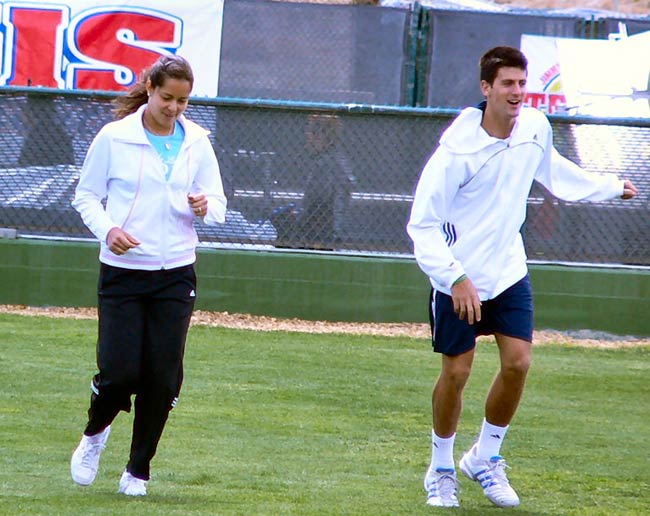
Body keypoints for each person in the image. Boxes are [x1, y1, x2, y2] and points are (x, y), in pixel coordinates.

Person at [406, 46, 637, 509]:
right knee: (457, 372)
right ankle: (442, 468)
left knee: (518, 363)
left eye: (521, 83)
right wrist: (454, 278)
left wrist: (609, 186)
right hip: (459, 276)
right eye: (507, 83)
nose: (517, 92)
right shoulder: (455, 151)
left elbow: (554, 172)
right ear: (486, 88)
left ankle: (485, 457)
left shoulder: (535, 127)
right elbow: (422, 225)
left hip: (509, 268)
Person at [70, 54, 227, 496]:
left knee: (162, 378)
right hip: (122, 273)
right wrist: (109, 230)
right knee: (119, 372)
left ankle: (137, 470)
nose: (174, 108)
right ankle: (94, 434)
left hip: (176, 273)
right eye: (167, 98)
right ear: (150, 88)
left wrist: (205, 206)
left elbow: (218, 203)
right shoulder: (114, 138)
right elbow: (86, 197)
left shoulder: (197, 141)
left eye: (183, 101)